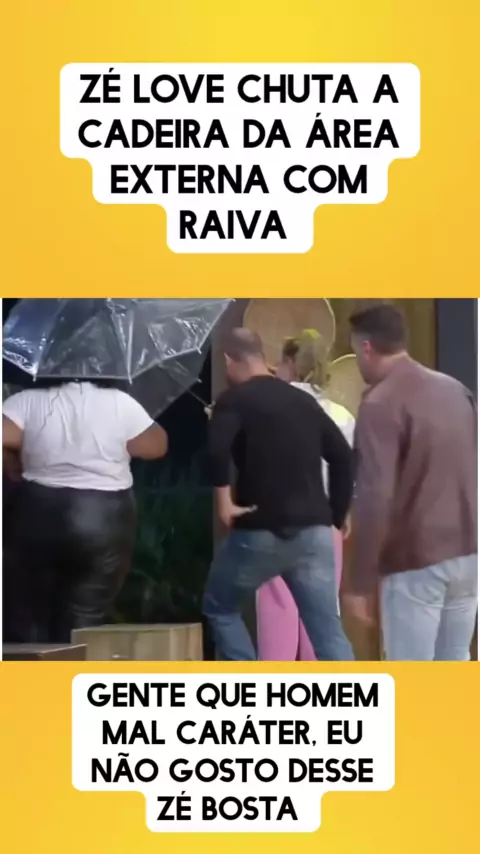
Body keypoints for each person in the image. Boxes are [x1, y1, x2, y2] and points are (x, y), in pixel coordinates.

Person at [203, 327, 355, 661]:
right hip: (314, 531)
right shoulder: (304, 402)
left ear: (229, 360)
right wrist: (336, 512)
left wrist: (224, 501)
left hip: (261, 527)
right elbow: (343, 456)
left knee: (220, 605)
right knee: (327, 631)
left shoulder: (234, 400)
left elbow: (216, 450)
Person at [344, 304, 478, 661]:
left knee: (409, 674)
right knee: (454, 670)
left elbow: (375, 494)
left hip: (415, 559)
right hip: (468, 551)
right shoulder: (456, 391)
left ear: (367, 347)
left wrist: (360, 581)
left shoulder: (380, 403)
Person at [2, 379, 168, 644]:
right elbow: (155, 446)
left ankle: (30, 666)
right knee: (86, 616)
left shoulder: (27, 401)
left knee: (29, 613)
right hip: (104, 518)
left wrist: (11, 457)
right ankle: (76, 666)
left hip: (38, 512)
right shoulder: (120, 403)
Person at [255, 329, 356, 660]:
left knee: (277, 607)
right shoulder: (341, 415)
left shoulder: (266, 410)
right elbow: (347, 470)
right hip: (325, 520)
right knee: (321, 610)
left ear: (288, 362)